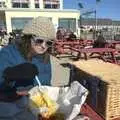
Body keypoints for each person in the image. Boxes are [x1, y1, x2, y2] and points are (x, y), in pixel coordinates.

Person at [0, 17, 70, 120]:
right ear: (29, 37)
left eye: (48, 43)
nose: (43, 46)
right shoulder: (9, 53)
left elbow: (46, 85)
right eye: (39, 40)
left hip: (36, 110)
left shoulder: (45, 57)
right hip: (10, 109)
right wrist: (10, 75)